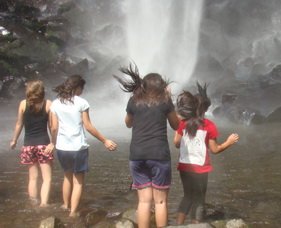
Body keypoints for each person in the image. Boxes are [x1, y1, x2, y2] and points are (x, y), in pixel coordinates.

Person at [114, 63, 179, 228]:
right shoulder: (165, 101)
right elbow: (176, 125)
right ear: (161, 87)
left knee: (143, 201)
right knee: (161, 202)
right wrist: (170, 101)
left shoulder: (134, 100)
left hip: (137, 155)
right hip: (159, 155)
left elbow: (128, 123)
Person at [50, 74, 117, 217]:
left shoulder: (55, 103)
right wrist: (105, 140)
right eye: (82, 88)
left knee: (67, 177)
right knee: (78, 182)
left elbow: (54, 127)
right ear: (77, 87)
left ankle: (65, 205)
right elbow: (88, 126)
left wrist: (53, 143)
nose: (83, 91)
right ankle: (73, 212)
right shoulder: (82, 103)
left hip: (62, 147)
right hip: (78, 147)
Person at [174, 82, 239, 225]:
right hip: (200, 168)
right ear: (204, 109)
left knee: (187, 196)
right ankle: (196, 224)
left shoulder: (183, 123)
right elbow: (215, 150)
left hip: (184, 166)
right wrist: (229, 142)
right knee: (199, 198)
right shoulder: (209, 125)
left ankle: (178, 225)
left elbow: (176, 143)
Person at [10, 79, 54, 207]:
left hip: (28, 146)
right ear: (42, 92)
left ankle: (33, 203)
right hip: (44, 145)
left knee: (33, 178)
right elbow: (52, 126)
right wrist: (53, 142)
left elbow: (19, 124)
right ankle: (44, 204)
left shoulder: (23, 104)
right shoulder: (48, 104)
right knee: (47, 178)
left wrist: (14, 140)